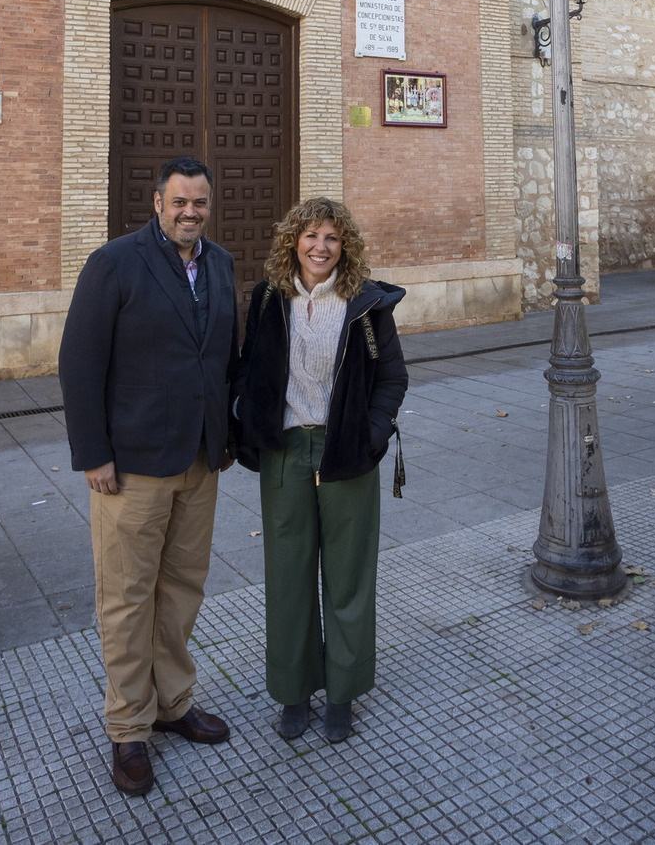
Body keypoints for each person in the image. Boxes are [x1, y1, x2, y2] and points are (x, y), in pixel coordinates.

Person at [59, 157, 239, 797]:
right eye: (179, 202)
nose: (190, 213)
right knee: (127, 597)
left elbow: (223, 360)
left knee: (183, 588)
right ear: (157, 201)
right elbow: (78, 362)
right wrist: (93, 454)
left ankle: (173, 703)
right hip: (130, 467)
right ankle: (129, 728)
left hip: (198, 461)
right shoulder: (115, 263)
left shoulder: (219, 264)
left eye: (200, 204)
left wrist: (229, 438)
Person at [233, 197, 408, 743]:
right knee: (288, 578)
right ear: (293, 241)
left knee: (349, 577)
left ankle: (342, 692)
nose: (320, 247)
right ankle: (293, 691)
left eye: (331, 238)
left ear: (344, 246)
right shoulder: (267, 299)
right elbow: (247, 370)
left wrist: (370, 434)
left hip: (346, 456)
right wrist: (250, 420)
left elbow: (393, 380)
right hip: (286, 453)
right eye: (310, 236)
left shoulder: (367, 304)